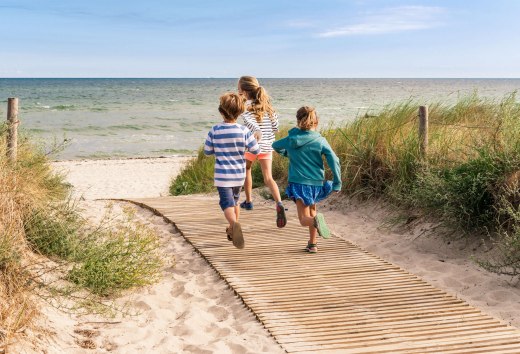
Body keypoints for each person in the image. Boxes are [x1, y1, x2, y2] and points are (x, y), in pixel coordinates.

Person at [272, 106, 341, 253]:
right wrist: (337, 181)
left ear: (298, 121)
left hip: (299, 183)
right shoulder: (320, 140)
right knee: (312, 211)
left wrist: (288, 153)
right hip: (316, 183)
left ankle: (315, 224)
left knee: (304, 219)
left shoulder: (291, 139)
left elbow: (275, 145)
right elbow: (334, 159)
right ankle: (312, 243)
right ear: (316, 122)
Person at [204, 92, 260, 249]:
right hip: (239, 175)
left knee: (226, 203)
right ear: (240, 112)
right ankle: (231, 229)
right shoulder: (243, 131)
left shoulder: (215, 130)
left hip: (223, 176)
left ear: (221, 111)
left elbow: (207, 151)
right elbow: (255, 150)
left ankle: (234, 223)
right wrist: (256, 139)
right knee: (235, 201)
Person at [237, 75, 286, 228]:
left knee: (247, 169)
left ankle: (249, 201)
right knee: (268, 177)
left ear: (244, 92)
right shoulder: (268, 107)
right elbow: (276, 127)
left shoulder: (246, 107)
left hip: (253, 144)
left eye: (238, 89)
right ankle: (279, 202)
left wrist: (257, 130)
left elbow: (250, 124)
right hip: (267, 147)